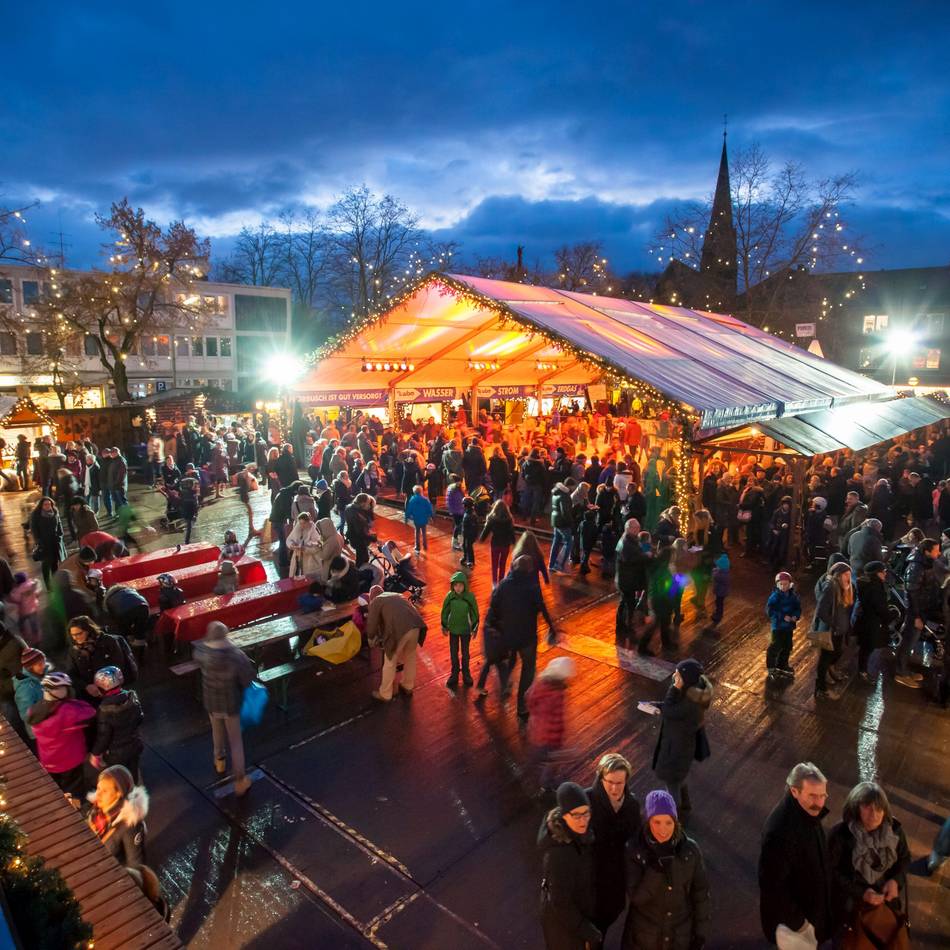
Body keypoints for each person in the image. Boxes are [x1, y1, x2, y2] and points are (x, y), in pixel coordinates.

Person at [622, 789, 710, 950]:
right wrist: (655, 869)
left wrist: (700, 933)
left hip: (680, 937)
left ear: (675, 823)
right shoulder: (635, 850)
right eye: (657, 822)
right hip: (644, 938)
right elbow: (637, 898)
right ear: (648, 822)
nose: (663, 829)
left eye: (668, 822)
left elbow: (700, 894)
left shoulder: (690, 850)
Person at [758, 762, 833, 948]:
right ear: (794, 791)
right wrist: (800, 924)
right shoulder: (780, 831)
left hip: (811, 915)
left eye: (823, 795)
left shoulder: (806, 813)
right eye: (813, 796)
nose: (819, 803)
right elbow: (772, 886)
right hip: (797, 925)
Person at [828, 782, 910, 942]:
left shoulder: (895, 830)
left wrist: (895, 880)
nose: (874, 814)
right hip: (851, 899)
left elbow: (904, 858)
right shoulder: (840, 835)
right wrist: (861, 893)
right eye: (867, 807)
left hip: (885, 898)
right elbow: (832, 872)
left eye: (879, 808)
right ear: (855, 807)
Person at [487, 555, 557, 720]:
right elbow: (543, 608)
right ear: (529, 570)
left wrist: (494, 627)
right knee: (528, 668)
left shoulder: (503, 585)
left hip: (508, 635)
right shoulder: (532, 587)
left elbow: (493, 609)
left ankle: (505, 683)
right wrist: (552, 628)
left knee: (510, 658)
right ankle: (521, 705)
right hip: (527, 636)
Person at [193, 621, 256, 796]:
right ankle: (240, 780)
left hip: (211, 701)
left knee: (217, 732)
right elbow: (247, 679)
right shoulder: (236, 655)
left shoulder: (201, 652)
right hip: (231, 703)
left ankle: (219, 760)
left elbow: (197, 659)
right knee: (235, 741)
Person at [537, 782, 601, 950]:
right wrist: (586, 930)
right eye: (576, 815)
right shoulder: (559, 855)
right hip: (563, 929)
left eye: (586, 813)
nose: (583, 820)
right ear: (564, 816)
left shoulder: (578, 835)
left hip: (576, 916)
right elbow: (560, 902)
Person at [585, 753, 641, 938]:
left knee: (607, 919)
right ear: (600, 778)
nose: (614, 788)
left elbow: (636, 837)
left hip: (616, 877)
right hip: (591, 877)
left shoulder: (632, 805)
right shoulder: (587, 801)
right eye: (610, 781)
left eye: (620, 783)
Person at [650, 659, 712, 814]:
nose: (674, 678)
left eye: (678, 676)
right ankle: (685, 805)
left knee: (672, 784)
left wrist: (674, 689)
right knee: (678, 780)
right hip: (681, 747)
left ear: (686, 678)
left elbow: (671, 710)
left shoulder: (690, 702)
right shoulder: (692, 692)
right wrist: (657, 705)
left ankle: (673, 816)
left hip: (676, 750)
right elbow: (671, 707)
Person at [27, 672, 96, 801]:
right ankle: (76, 808)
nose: (69, 691)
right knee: (75, 789)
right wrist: (72, 701)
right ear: (56, 691)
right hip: (70, 760)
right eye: (65, 688)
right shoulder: (67, 711)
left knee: (57, 788)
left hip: (49, 760)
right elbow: (90, 712)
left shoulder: (34, 710)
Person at [896, 537, 942, 688]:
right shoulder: (916, 566)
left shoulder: (925, 563)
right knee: (909, 640)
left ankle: (904, 670)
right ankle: (900, 673)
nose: (939, 553)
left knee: (911, 639)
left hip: (921, 609)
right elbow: (912, 592)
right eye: (936, 550)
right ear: (927, 551)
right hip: (916, 611)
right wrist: (916, 616)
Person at [525, 657, 575, 794]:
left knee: (544, 755)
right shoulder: (556, 694)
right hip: (550, 735)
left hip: (537, 731)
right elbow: (555, 717)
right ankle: (546, 783)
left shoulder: (539, 686)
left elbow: (529, 698)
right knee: (554, 760)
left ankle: (536, 765)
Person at [366, 588, 426, 702]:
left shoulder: (376, 601)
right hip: (416, 625)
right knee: (410, 657)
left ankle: (385, 693)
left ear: (371, 598)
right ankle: (408, 686)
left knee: (390, 660)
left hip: (400, 630)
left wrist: (370, 638)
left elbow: (372, 623)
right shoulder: (397, 594)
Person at [86, 764, 149, 867]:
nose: (98, 794)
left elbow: (136, 864)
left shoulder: (129, 825)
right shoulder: (96, 807)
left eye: (105, 791)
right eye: (98, 788)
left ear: (119, 793)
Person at [89, 665, 144, 779]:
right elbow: (140, 719)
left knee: (119, 778)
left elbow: (104, 736)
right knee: (133, 773)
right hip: (134, 745)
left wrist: (96, 753)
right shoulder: (132, 698)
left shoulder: (104, 710)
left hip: (115, 754)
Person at [65, 615, 138, 700]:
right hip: (90, 695)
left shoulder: (109, 642)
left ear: (89, 630)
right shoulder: (74, 650)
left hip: (114, 692)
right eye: (73, 635)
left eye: (79, 633)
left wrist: (103, 686)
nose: (75, 638)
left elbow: (118, 665)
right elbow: (71, 673)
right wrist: (86, 686)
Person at [812, 562, 853, 699]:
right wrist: (834, 624)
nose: (849, 578)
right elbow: (821, 611)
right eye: (846, 574)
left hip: (836, 631)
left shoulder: (842, 588)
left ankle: (827, 676)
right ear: (838, 575)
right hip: (827, 631)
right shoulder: (830, 587)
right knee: (824, 659)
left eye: (849, 574)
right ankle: (820, 689)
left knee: (835, 653)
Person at [852, 561, 891, 681]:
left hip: (865, 621)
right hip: (870, 622)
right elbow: (879, 607)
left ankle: (862, 670)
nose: (885, 574)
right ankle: (862, 671)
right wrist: (890, 615)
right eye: (883, 571)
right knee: (867, 647)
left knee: (865, 647)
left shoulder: (866, 584)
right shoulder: (875, 587)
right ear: (877, 573)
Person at [440, 571, 479, 689]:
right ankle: (455, 673)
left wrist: (474, 627)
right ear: (452, 585)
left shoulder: (470, 597)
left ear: (465, 585)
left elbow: (474, 613)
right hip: (453, 630)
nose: (458, 588)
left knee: (465, 653)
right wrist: (444, 625)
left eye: (460, 585)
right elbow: (445, 611)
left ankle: (466, 673)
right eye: (455, 585)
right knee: (453, 652)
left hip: (466, 631)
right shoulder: (449, 596)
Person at [615, 518, 649, 648]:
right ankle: (628, 629)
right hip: (626, 579)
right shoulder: (626, 542)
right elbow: (630, 559)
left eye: (638, 528)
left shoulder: (630, 540)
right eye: (635, 528)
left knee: (625, 603)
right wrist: (646, 556)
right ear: (628, 528)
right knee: (629, 604)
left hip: (628, 578)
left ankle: (622, 626)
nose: (638, 530)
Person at [765, 572, 802, 680]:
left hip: (789, 627)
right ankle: (771, 667)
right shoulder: (775, 596)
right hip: (778, 627)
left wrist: (796, 616)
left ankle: (782, 665)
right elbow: (769, 610)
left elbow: (798, 608)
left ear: (790, 584)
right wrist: (782, 616)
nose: (783, 586)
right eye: (781, 584)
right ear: (777, 585)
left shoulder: (793, 597)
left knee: (787, 646)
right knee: (775, 646)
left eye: (785, 584)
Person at [13, 646, 47, 747]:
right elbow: (27, 715)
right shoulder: (25, 688)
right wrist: (47, 709)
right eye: (39, 664)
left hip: (50, 726)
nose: (44, 666)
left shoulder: (40, 676)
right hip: (40, 732)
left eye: (44, 662)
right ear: (30, 667)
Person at [30, 496, 66, 588]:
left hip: (54, 542)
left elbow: (59, 524)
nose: (48, 506)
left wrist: (60, 535)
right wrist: (38, 540)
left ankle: (55, 583)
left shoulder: (55, 512)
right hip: (44, 543)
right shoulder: (36, 515)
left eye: (49, 504)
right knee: (46, 564)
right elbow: (34, 529)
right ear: (41, 505)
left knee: (55, 563)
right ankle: (48, 585)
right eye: (45, 504)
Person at [480, 499, 517, 587]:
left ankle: (494, 583)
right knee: (503, 564)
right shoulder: (509, 520)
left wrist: (482, 538)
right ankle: (501, 582)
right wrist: (514, 542)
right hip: (505, 544)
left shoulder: (492, 519)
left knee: (494, 564)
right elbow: (511, 532)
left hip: (495, 544)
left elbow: (486, 531)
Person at [103, 583, 152, 647]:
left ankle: (130, 642)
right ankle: (141, 643)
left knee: (122, 626)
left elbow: (113, 617)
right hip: (143, 606)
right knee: (141, 626)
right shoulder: (129, 590)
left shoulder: (109, 599)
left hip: (124, 612)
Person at [549, 481, 575, 574]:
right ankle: (560, 564)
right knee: (569, 542)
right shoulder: (565, 496)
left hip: (555, 521)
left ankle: (551, 564)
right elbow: (565, 512)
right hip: (563, 523)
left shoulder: (556, 493)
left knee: (556, 542)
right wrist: (571, 522)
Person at [8, 571, 40, 646]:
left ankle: (24, 636)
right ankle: (37, 639)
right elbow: (37, 591)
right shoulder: (32, 585)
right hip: (33, 609)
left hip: (24, 611)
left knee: (21, 624)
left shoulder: (18, 590)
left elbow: (16, 599)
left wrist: (10, 598)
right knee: (34, 625)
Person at [287, 512, 322, 577]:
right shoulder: (297, 527)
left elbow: (318, 546)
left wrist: (305, 549)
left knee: (308, 579)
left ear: (308, 522)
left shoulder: (314, 529)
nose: (302, 525)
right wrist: (292, 545)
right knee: (295, 577)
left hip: (310, 560)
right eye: (300, 523)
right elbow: (289, 539)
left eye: (304, 523)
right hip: (297, 557)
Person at [405, 484, 434, 554]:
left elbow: (409, 509)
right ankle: (425, 545)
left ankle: (417, 546)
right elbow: (429, 508)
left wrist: (407, 517)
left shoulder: (412, 500)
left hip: (416, 519)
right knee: (424, 532)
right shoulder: (425, 499)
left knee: (417, 532)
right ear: (421, 491)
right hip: (424, 518)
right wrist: (431, 516)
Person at [446, 475, 465, 551]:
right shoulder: (455, 489)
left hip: (457, 510)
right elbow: (457, 500)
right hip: (458, 510)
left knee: (458, 526)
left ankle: (457, 542)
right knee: (458, 526)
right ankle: (456, 542)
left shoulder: (453, 488)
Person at [710, 552, 730, 626]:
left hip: (720, 592)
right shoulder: (725, 572)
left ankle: (718, 614)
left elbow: (715, 577)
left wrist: (714, 571)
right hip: (721, 591)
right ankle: (718, 613)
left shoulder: (721, 574)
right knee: (718, 602)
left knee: (719, 603)